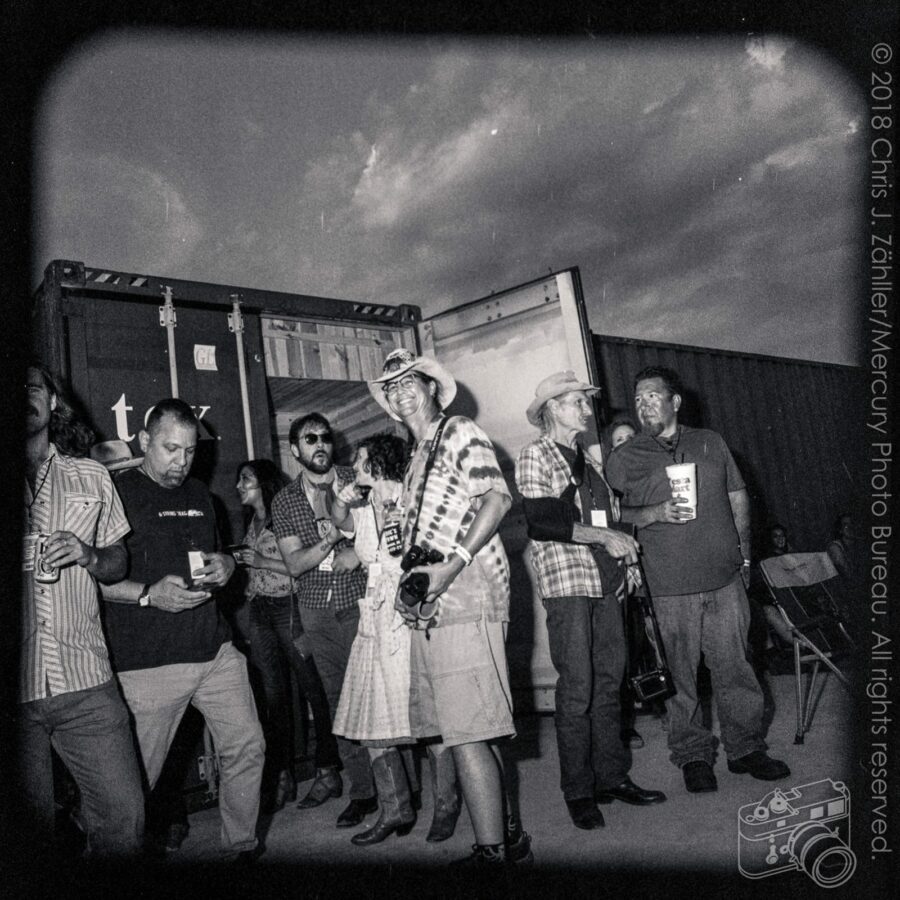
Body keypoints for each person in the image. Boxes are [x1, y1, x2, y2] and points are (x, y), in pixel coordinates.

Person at [368, 348, 530, 867]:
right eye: (390, 388)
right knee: (471, 728)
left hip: (467, 595)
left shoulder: (458, 431)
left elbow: (497, 499)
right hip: (437, 604)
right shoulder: (417, 455)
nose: (399, 392)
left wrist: (452, 563)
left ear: (433, 388)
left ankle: (492, 853)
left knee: (466, 736)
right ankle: (509, 838)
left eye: (409, 381)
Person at [606, 366, 790, 794]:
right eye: (638, 398)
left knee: (736, 669)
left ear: (675, 401)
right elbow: (607, 517)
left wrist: (744, 559)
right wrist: (650, 514)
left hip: (724, 578)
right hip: (667, 585)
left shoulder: (710, 441)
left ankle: (746, 749)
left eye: (653, 395)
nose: (644, 403)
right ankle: (693, 756)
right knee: (680, 678)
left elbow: (737, 496)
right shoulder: (624, 458)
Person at [100, 398, 265, 862]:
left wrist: (227, 564)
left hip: (213, 651)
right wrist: (150, 594)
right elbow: (92, 579)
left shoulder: (200, 497)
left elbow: (211, 558)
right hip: (149, 662)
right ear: (145, 441)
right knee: (133, 784)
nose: (181, 462)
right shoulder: (114, 493)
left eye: (190, 451)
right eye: (171, 449)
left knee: (247, 746)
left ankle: (240, 848)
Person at [515, 372, 665, 831]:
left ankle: (612, 778)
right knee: (577, 689)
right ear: (551, 410)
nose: (585, 408)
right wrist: (605, 536)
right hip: (568, 587)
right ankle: (578, 791)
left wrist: (627, 567)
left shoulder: (590, 460)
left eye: (585, 401)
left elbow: (613, 523)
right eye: (576, 401)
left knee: (609, 685)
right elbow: (542, 522)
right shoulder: (534, 455)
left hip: (607, 585)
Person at [16, 363, 144, 859]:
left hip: (86, 681)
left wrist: (89, 554)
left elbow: (117, 563)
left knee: (124, 823)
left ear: (52, 402)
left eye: (33, 387)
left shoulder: (91, 475)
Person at [271, 413, 377, 828]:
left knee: (381, 695)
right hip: (316, 609)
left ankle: (400, 792)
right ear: (295, 449)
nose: (319, 444)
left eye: (325, 437)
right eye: (308, 438)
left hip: (361, 600)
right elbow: (295, 565)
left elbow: (385, 531)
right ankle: (363, 792)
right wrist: (335, 537)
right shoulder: (285, 501)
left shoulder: (358, 478)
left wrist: (360, 551)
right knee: (339, 704)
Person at [234, 459, 341, 813]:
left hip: (290, 608)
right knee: (274, 698)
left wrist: (261, 562)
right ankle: (284, 776)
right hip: (261, 610)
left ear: (262, 482)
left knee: (314, 690)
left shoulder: (284, 517)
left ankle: (328, 771)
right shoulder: (253, 520)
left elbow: (302, 564)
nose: (239, 486)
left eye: (245, 480)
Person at [329, 433, 420, 845]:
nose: (355, 465)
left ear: (379, 462)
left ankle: (451, 806)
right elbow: (337, 519)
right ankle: (395, 808)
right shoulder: (364, 509)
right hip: (375, 617)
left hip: (412, 613)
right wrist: (344, 499)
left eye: (361, 459)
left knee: (427, 719)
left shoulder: (413, 496)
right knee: (371, 720)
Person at [601, 416, 644, 750]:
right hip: (627, 575)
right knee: (622, 651)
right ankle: (625, 724)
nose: (626, 443)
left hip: (654, 572)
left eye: (631, 436)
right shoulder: (608, 486)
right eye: (619, 440)